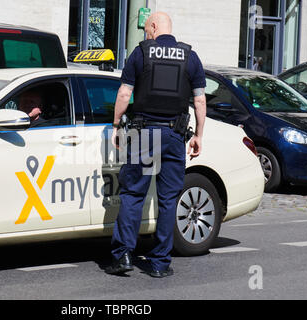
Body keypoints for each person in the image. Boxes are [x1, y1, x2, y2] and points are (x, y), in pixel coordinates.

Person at [106, 12, 207, 278]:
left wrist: (116, 125)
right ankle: (161, 263)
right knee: (168, 199)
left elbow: (125, 93)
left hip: (144, 134)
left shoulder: (140, 54)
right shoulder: (190, 57)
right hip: (175, 136)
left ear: (153, 26)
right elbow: (199, 101)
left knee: (133, 194)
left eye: (146, 29)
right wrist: (199, 135)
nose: (145, 34)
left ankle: (123, 256)